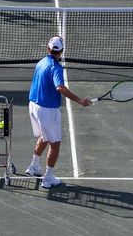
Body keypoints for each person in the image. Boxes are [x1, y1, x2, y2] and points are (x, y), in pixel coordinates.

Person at [25, 36, 92, 189]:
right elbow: (60, 87)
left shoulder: (41, 62)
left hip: (33, 106)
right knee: (55, 144)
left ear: (48, 48)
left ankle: (34, 166)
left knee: (44, 136)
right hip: (47, 110)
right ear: (61, 52)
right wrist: (79, 100)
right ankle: (48, 179)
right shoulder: (56, 68)